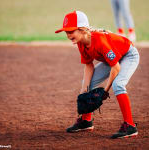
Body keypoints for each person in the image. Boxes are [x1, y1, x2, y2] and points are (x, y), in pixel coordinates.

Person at [55, 11, 139, 139]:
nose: (68, 35)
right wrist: (84, 89)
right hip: (112, 59)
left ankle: (130, 126)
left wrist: (105, 91)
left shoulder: (99, 40)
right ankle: (86, 121)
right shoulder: (81, 43)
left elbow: (115, 67)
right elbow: (89, 65)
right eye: (66, 32)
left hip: (128, 55)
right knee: (90, 83)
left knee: (118, 85)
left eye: (71, 31)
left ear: (82, 29)